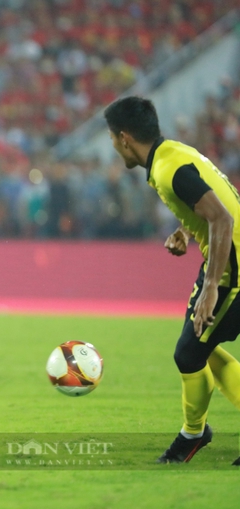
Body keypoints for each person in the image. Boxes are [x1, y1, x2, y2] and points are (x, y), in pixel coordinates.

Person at [105, 96, 240, 465]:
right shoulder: (173, 154)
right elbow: (211, 200)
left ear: (124, 137)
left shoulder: (168, 170)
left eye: (113, 140)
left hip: (232, 271)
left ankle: (192, 435)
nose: (114, 147)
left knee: (188, 352)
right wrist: (186, 229)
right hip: (225, 263)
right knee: (199, 350)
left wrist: (212, 286)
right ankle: (194, 434)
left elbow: (223, 218)